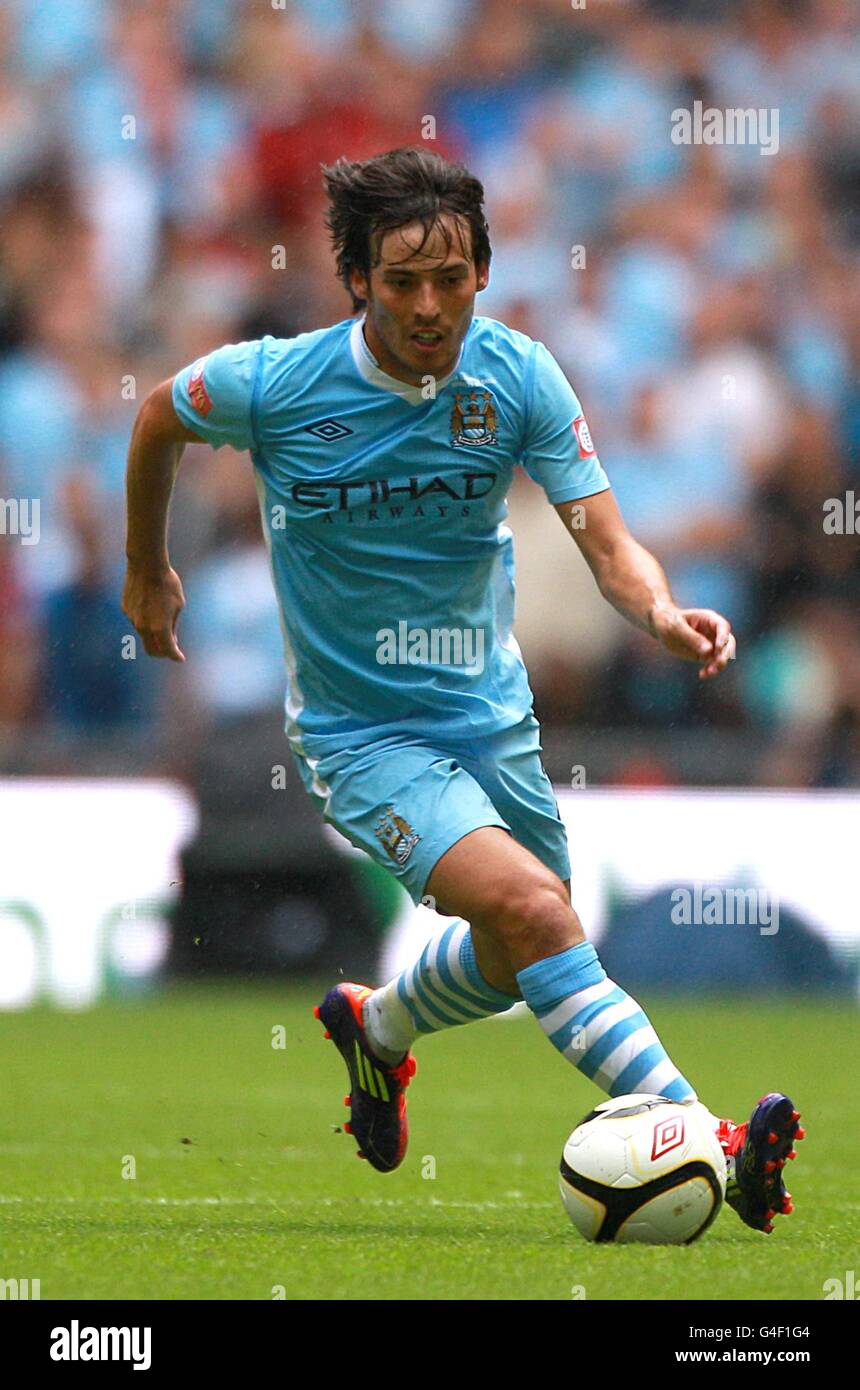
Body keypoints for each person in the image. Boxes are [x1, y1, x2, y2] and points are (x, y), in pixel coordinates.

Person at [123, 147, 803, 1234]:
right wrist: (145, 568)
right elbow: (158, 413)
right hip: (362, 733)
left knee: (516, 949)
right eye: (401, 282)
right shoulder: (278, 383)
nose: (429, 305)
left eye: (451, 278)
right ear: (357, 280)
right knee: (536, 912)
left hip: (489, 715)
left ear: (481, 271)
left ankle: (378, 1030)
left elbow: (610, 545)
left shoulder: (518, 377)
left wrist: (661, 613)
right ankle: (712, 1141)